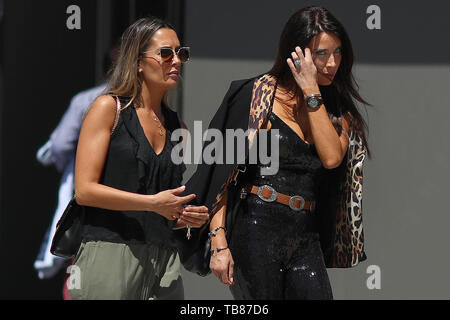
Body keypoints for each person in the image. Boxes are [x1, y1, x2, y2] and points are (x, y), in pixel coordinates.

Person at [185, 6, 371, 300]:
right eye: (321, 53)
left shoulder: (337, 110)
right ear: (296, 53)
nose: (332, 62)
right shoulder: (253, 95)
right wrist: (219, 242)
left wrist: (311, 90)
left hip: (305, 235)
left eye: (337, 52)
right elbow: (222, 174)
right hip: (254, 227)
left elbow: (331, 158)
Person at [69, 17, 209, 300]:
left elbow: (163, 205)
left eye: (181, 53)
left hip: (164, 259)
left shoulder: (177, 127)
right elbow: (84, 191)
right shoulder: (108, 108)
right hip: (110, 253)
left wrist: (184, 216)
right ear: (137, 62)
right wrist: (153, 204)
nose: (177, 61)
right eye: (165, 53)